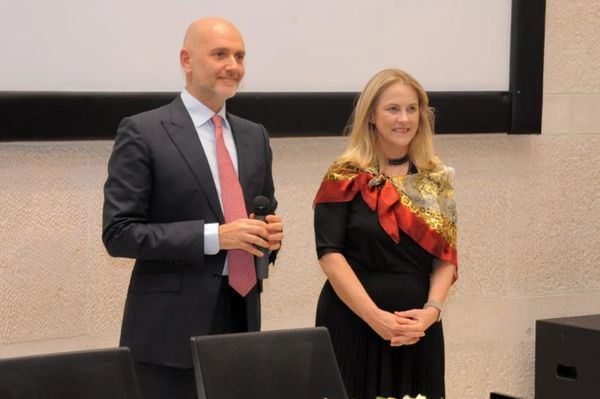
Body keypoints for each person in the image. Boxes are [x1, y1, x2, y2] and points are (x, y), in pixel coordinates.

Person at [102, 17, 283, 399]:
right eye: (220, 54)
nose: (233, 66)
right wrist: (215, 237)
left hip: (242, 318)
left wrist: (268, 237)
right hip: (168, 334)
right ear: (186, 59)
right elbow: (119, 233)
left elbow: (259, 215)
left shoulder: (254, 135)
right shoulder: (143, 131)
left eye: (240, 56)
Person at [313, 68, 457, 399]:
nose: (404, 118)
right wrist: (375, 318)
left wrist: (431, 314)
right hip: (352, 323)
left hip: (417, 330)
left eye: (412, 108)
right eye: (393, 109)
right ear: (372, 116)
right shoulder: (343, 175)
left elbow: (445, 258)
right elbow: (330, 255)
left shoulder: (436, 178)